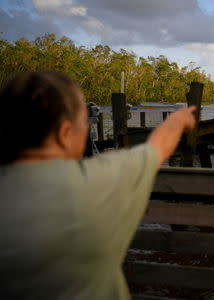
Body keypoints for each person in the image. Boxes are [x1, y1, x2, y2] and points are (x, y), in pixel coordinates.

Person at [0, 71, 196, 299]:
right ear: (64, 133)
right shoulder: (97, 183)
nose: (87, 127)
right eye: (84, 120)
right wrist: (180, 118)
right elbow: (159, 146)